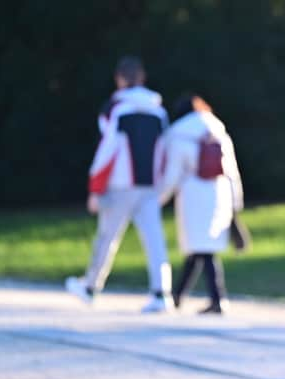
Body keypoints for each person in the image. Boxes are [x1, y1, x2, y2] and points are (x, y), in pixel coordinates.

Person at [65, 56, 173, 313]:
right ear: (143, 77)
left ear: (120, 79)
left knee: (106, 238)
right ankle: (161, 293)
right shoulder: (159, 111)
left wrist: (95, 186)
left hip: (120, 185)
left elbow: (108, 149)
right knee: (155, 240)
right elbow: (165, 150)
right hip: (149, 186)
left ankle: (91, 287)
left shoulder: (116, 108)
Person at [159, 95, 244, 314]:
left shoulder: (179, 134)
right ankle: (178, 296)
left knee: (202, 249)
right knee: (201, 248)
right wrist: (236, 201)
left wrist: (158, 198)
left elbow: (172, 174)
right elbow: (232, 171)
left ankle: (216, 298)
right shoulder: (219, 130)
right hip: (219, 193)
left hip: (193, 195)